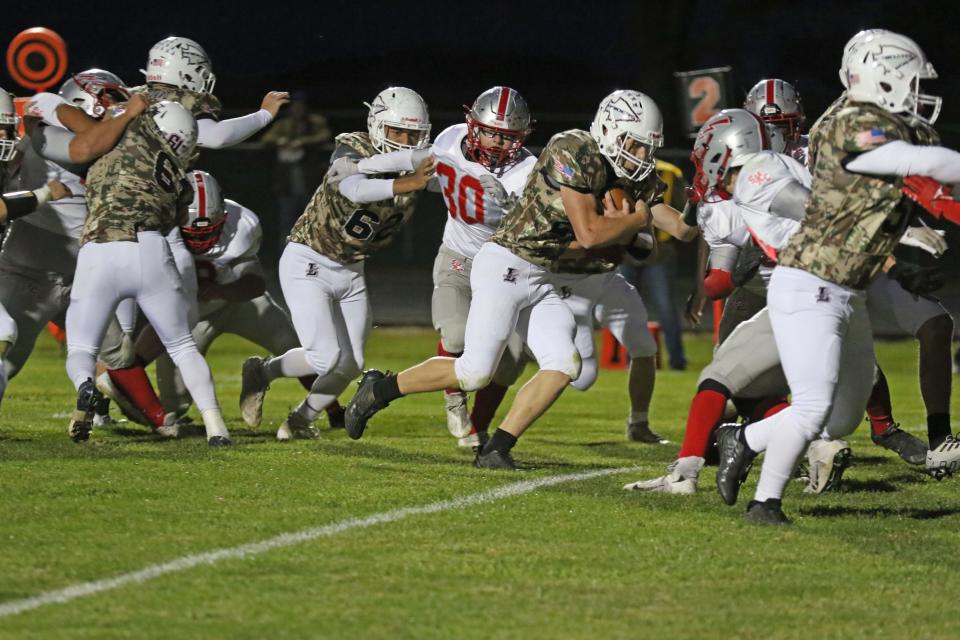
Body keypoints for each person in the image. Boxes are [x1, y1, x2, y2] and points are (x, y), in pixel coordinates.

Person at [343, 90, 684, 469]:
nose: (638, 156)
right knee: (474, 372)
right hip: (505, 263)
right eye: (632, 145)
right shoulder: (572, 149)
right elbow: (589, 235)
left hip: (539, 274)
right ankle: (379, 389)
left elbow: (652, 245)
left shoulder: (627, 178)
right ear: (607, 130)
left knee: (563, 365)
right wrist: (634, 222)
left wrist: (667, 227)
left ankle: (496, 448)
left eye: (645, 148)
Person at [715, 31, 960, 524]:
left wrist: (907, 238)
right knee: (811, 406)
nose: (916, 93)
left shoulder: (886, 127)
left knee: (840, 417)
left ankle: (744, 438)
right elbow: (919, 164)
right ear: (880, 78)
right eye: (909, 81)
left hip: (848, 289)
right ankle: (765, 504)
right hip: (809, 281)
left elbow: (918, 186)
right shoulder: (849, 123)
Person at [239, 87, 433, 439]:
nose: (405, 141)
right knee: (325, 356)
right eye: (397, 132)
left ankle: (300, 419)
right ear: (376, 126)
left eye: (412, 134)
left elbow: (456, 179)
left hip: (352, 268)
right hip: (309, 259)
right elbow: (354, 189)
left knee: (351, 363)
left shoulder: (417, 163)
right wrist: (410, 181)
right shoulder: (353, 147)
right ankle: (262, 373)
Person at [62, 97, 232, 446]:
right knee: (183, 345)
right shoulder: (177, 176)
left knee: (81, 348)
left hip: (100, 249)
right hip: (151, 250)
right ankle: (217, 427)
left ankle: (85, 389)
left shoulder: (114, 137)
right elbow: (176, 218)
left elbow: (81, 142)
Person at [261, 93, 332, 250]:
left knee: (314, 225)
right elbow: (267, 138)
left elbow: (325, 135)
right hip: (287, 186)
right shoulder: (284, 124)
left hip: (310, 186)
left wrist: (302, 142)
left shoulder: (315, 122)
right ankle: (283, 263)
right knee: (286, 227)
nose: (298, 109)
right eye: (295, 106)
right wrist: (282, 141)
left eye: (301, 106)